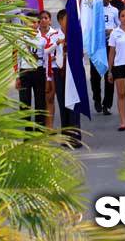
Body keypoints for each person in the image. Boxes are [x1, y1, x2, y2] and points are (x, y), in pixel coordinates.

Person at [52, 9, 81, 147]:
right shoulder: (54, 35)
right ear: (60, 21)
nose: (69, 23)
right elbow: (49, 53)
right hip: (59, 73)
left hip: (73, 72)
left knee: (74, 103)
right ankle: (65, 136)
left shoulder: (76, 34)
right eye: (66, 20)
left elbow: (82, 52)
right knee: (63, 103)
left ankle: (75, 136)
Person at [16, 12, 47, 131]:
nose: (33, 25)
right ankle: (28, 132)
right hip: (25, 72)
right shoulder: (20, 39)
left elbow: (46, 58)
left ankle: (39, 130)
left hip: (39, 71)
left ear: (39, 23)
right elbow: (17, 58)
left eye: (35, 22)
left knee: (40, 102)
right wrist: (17, 77)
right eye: (30, 22)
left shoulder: (43, 39)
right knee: (24, 103)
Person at [91, 0, 120, 115]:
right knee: (95, 76)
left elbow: (119, 27)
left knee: (110, 75)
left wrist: (111, 30)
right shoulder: (94, 10)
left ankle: (107, 104)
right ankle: (96, 99)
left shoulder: (114, 10)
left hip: (110, 46)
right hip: (97, 46)